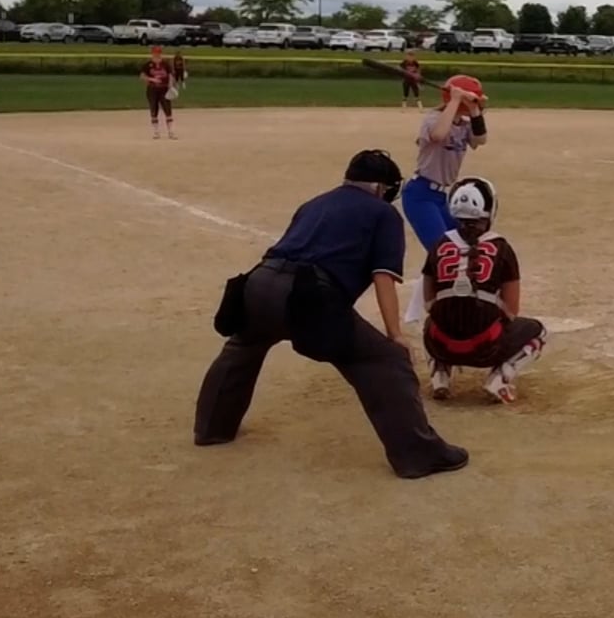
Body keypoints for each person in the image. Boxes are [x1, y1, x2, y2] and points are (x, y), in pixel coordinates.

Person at [193, 150, 468, 479]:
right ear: (381, 188)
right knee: (386, 361)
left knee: (243, 346)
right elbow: (383, 276)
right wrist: (395, 335)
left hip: (257, 284)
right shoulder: (383, 213)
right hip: (309, 297)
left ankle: (212, 428)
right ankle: (418, 455)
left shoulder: (314, 203)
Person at [416, 177, 548, 404]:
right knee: (539, 332)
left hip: (441, 345)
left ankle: (440, 377)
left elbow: (429, 302)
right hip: (486, 348)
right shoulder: (502, 247)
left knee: (433, 320)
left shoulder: (439, 244)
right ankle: (500, 378)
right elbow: (511, 311)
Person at [400, 74, 488, 323]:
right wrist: (455, 100)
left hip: (441, 198)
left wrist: (475, 109)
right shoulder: (433, 119)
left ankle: (417, 312)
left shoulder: (464, 124)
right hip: (420, 195)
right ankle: (416, 315)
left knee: (462, 247)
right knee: (442, 252)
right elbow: (439, 135)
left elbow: (480, 139)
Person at [141, 45, 176, 139]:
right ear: (152, 53)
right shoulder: (148, 64)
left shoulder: (165, 64)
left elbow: (170, 75)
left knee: (168, 110)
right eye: (155, 53)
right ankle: (156, 132)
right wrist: (152, 79)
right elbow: (142, 76)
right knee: (154, 110)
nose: (157, 55)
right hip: (152, 90)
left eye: (158, 53)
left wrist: (170, 85)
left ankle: (171, 132)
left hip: (164, 89)